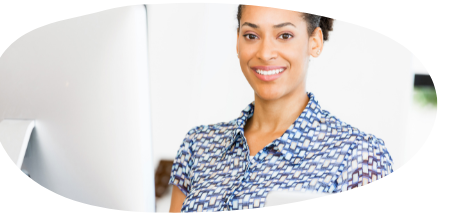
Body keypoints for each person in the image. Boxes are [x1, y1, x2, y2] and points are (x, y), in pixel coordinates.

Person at [168, 5, 393, 213]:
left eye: (284, 36)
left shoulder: (359, 155)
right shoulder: (198, 145)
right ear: (238, 42)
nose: (265, 53)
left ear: (314, 42)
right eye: (251, 36)